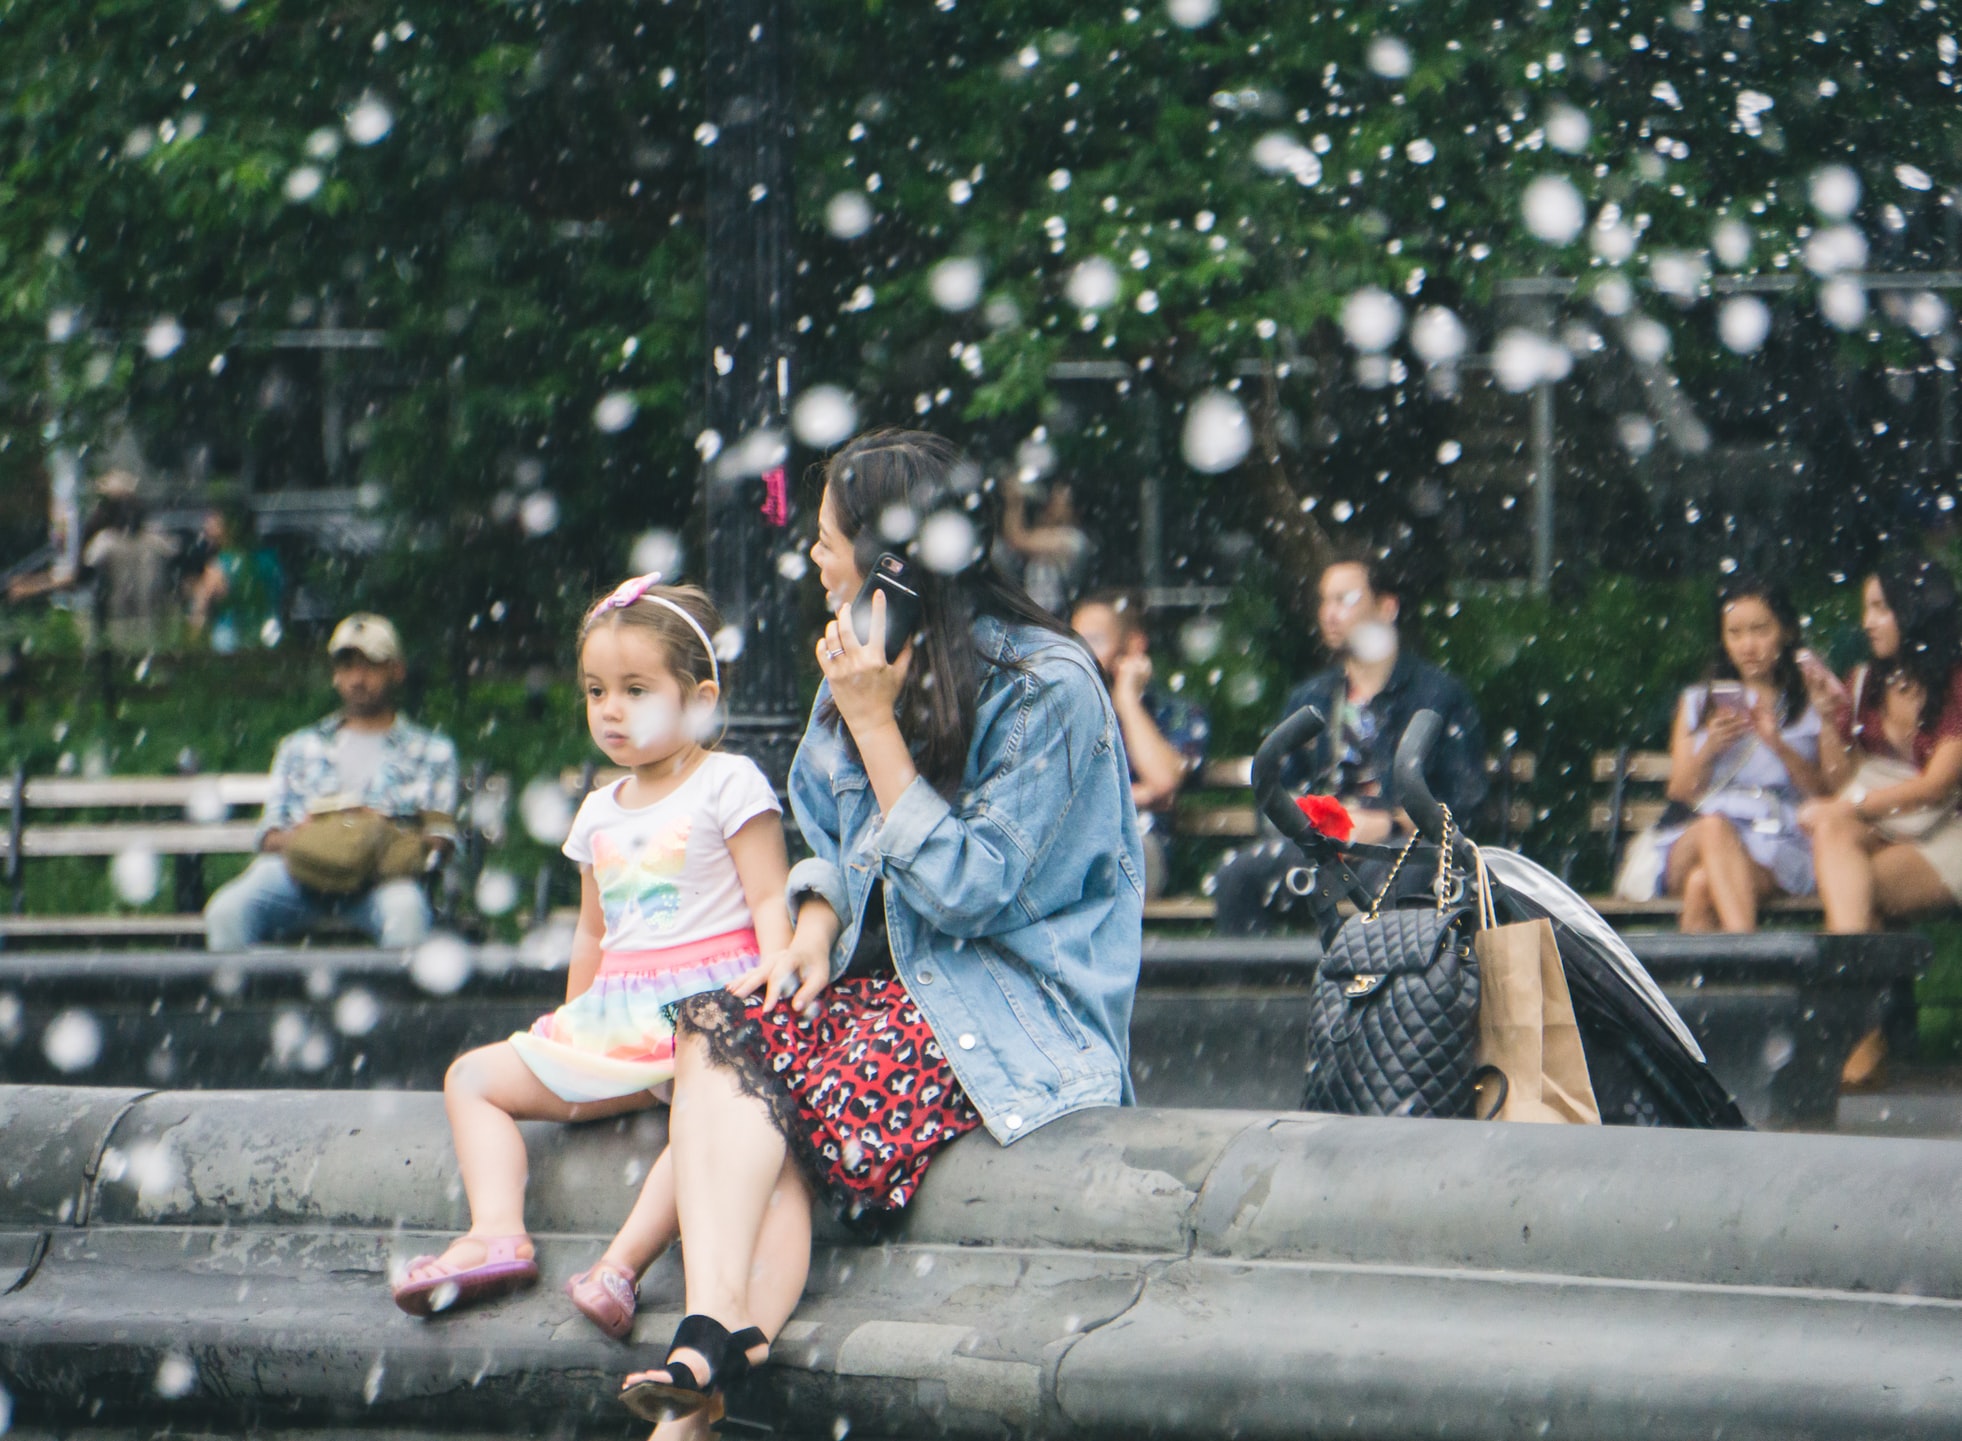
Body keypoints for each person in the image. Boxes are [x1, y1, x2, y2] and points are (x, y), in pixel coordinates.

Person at [613, 429, 1143, 1434]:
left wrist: (876, 722)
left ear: (895, 558)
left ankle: (696, 1394)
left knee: (768, 1094)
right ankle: (714, 1335)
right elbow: (830, 831)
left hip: (1012, 1009)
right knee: (722, 1026)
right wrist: (814, 916)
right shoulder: (865, 657)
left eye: (828, 540)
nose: (813, 559)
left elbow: (972, 891)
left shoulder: (1049, 686)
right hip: (896, 987)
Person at [391, 580, 791, 1331]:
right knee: (471, 1076)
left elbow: (770, 897)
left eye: (636, 690)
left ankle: (621, 1266)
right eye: (596, 689)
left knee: (704, 1122)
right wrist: (571, 1022)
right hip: (616, 1019)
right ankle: (496, 1231)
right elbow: (593, 933)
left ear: (700, 698)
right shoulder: (599, 809)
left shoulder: (728, 783)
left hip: (705, 1016)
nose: (610, 708)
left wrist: (770, 994)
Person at [1209, 554, 1486, 935]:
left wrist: (1387, 822)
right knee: (1238, 877)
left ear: (1387, 607)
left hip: (1397, 847)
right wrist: (1315, 827)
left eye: (1345, 599)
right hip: (1319, 847)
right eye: (1325, 600)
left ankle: (1379, 992)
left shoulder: (1438, 695)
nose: (1329, 613)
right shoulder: (1312, 698)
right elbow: (1274, 792)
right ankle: (1252, 993)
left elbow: (1465, 802)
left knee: (1397, 880)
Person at [202, 614, 459, 949]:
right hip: (298, 878)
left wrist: (380, 834)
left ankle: (392, 1002)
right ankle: (248, 999)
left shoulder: (431, 751)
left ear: (397, 671)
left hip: (381, 882)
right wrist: (313, 837)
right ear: (335, 675)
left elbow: (442, 838)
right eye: (346, 666)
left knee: (406, 913)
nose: (357, 678)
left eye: (370, 665)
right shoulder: (299, 746)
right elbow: (269, 834)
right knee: (226, 911)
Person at [1800, 557, 1962, 1085]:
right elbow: (1839, 778)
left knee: (1845, 859)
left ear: (1914, 612)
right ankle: (1862, 1023)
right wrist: (1828, 719)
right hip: (1896, 827)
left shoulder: (1956, 681)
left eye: (1879, 608)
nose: (1867, 621)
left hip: (1951, 830)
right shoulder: (1865, 680)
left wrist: (1850, 808)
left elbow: (1939, 784)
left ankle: (1854, 1019)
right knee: (1834, 834)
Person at [1655, 577, 1825, 932]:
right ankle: (1748, 952)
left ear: (1787, 631)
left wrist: (1777, 742)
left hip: (1775, 843)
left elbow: (1822, 794)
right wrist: (1709, 749)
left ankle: (1702, 982)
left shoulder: (1811, 702)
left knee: (1702, 886)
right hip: (1698, 834)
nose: (1748, 646)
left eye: (1760, 630)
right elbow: (1680, 793)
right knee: (1715, 827)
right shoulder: (1699, 703)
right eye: (1735, 633)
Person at [1070, 590, 1210, 897]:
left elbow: (1163, 781)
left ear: (1133, 646)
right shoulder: (1065, 711)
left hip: (1138, 845)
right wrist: (1139, 794)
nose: (1081, 652)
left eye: (1094, 640)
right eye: (1074, 641)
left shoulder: (1174, 713)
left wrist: (1128, 701)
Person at [185, 506, 285, 652]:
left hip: (230, 642)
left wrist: (191, 645)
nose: (207, 529)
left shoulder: (220, 565)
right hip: (269, 637)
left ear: (229, 528)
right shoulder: (270, 558)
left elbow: (199, 609)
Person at [999, 472, 1091, 615]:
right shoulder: (1045, 532)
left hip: (1057, 616)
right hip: (1035, 616)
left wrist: (1015, 501)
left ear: (1073, 509)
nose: (1051, 504)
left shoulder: (1074, 539)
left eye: (1059, 501)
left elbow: (1017, 539)